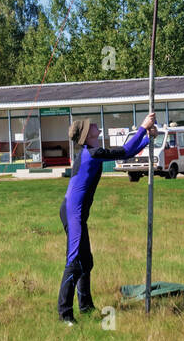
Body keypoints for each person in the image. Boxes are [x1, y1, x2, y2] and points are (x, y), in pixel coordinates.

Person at [58, 114, 157, 325]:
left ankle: (85, 306)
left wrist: (147, 138)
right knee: (75, 262)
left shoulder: (92, 152)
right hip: (72, 212)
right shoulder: (93, 153)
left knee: (86, 261)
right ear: (87, 134)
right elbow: (125, 152)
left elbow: (127, 152)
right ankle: (65, 314)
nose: (95, 124)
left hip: (76, 212)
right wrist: (142, 128)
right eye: (90, 125)